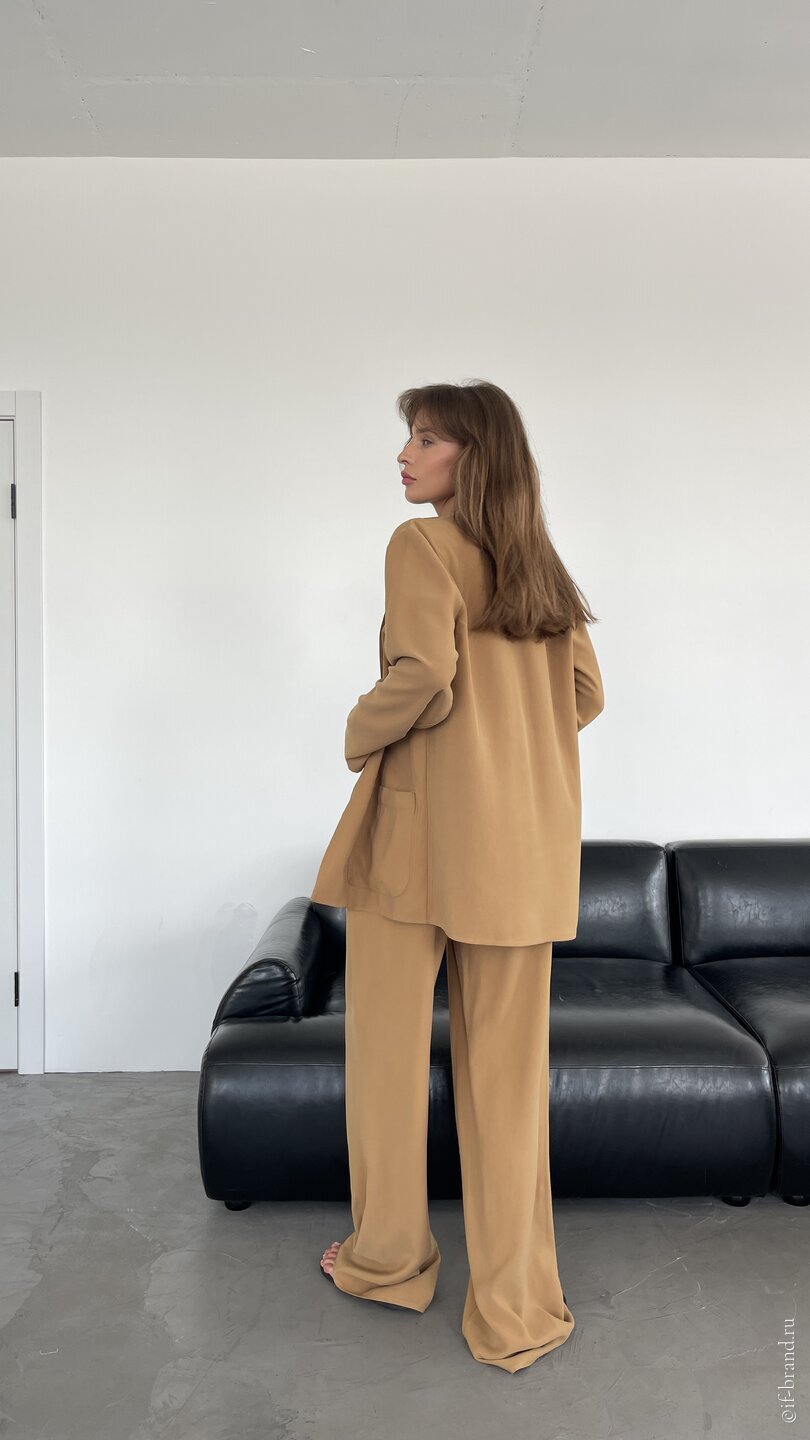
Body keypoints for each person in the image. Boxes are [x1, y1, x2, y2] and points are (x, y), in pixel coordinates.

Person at [311, 379, 605, 1373]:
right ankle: (517, 1311)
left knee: (388, 1066)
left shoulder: (421, 545)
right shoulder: (537, 564)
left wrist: (357, 733)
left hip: (418, 845)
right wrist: (510, 744)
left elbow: (425, 677)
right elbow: (584, 693)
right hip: (522, 852)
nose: (406, 456)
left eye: (427, 439)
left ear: (474, 456)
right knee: (509, 1088)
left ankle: (389, 1262)